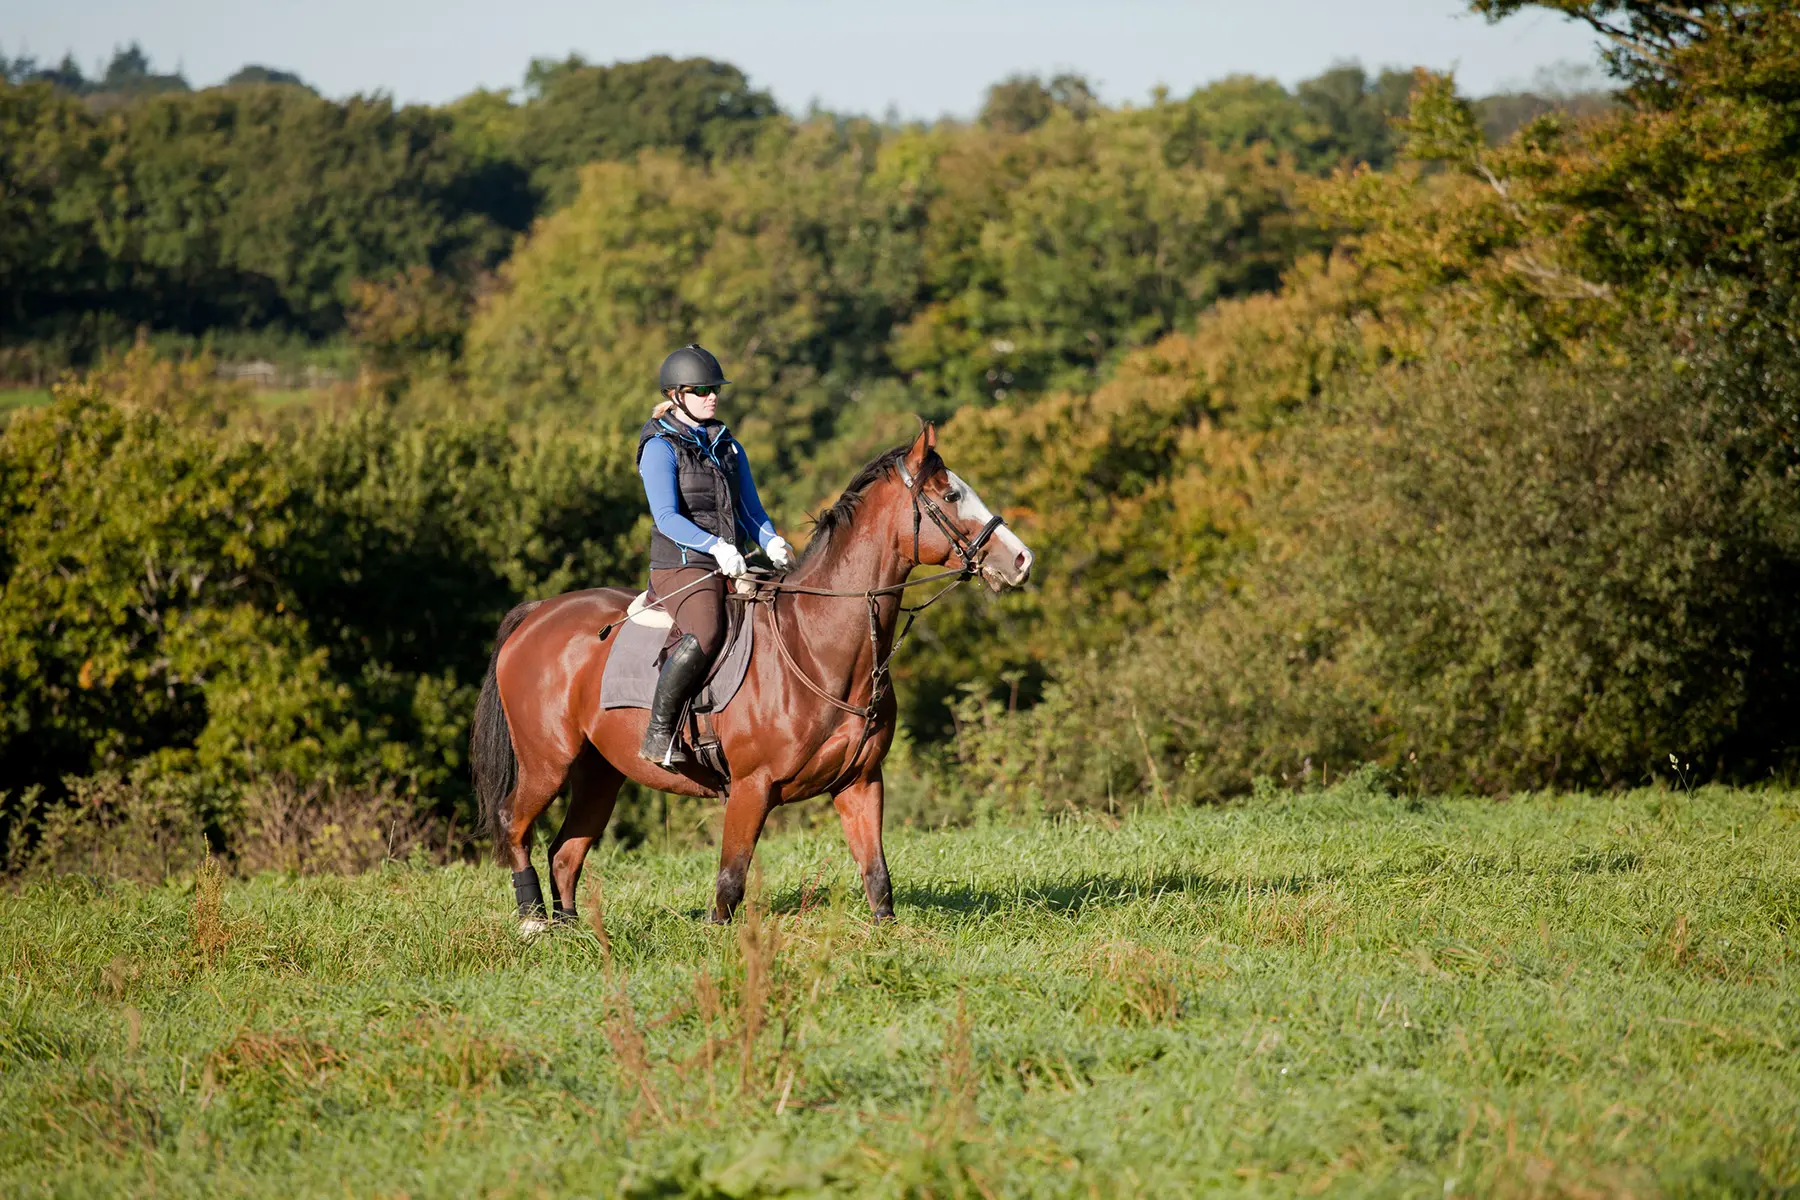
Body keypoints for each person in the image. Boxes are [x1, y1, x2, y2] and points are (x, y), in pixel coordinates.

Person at [635, 344, 794, 765]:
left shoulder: (729, 446)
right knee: (706, 630)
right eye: (702, 390)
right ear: (676, 395)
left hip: (731, 558)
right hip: (682, 564)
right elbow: (666, 516)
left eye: (715, 389)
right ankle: (659, 733)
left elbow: (751, 510)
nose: (712, 397)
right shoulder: (659, 447)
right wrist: (716, 546)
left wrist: (771, 541)